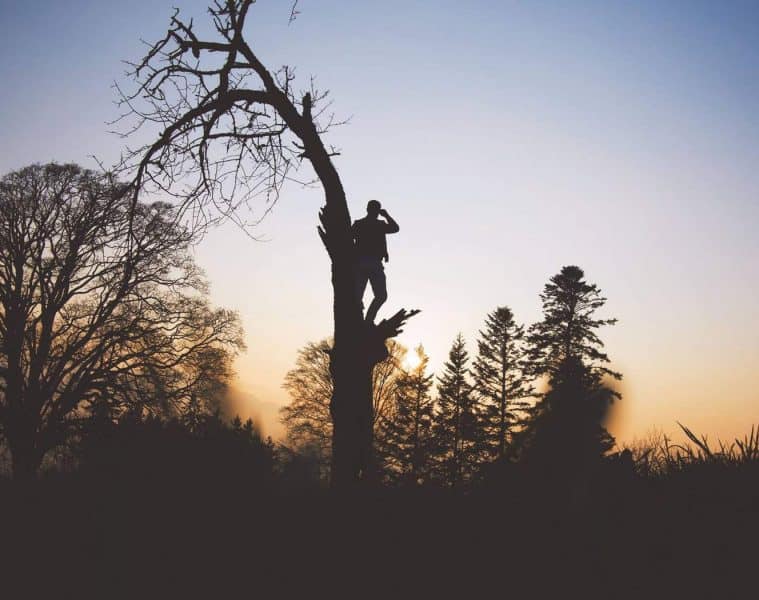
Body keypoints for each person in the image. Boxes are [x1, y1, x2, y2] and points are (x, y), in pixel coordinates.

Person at [352, 200, 399, 324]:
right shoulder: (368, 224)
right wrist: (387, 215)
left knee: (375, 296)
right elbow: (395, 228)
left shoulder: (364, 224)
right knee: (363, 296)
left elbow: (395, 229)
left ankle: (367, 321)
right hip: (365, 263)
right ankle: (366, 321)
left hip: (369, 263)